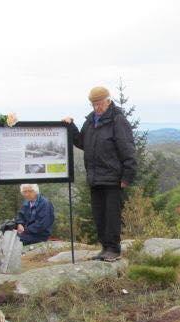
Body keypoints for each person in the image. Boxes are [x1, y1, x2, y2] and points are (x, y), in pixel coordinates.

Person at [63, 86, 137, 261]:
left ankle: (114, 249)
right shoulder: (90, 121)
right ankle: (105, 248)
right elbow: (82, 142)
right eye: (94, 104)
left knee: (112, 215)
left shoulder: (118, 120)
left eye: (100, 104)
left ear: (108, 100)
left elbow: (128, 150)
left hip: (113, 178)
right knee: (99, 215)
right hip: (95, 178)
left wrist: (127, 177)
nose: (97, 108)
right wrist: (71, 126)